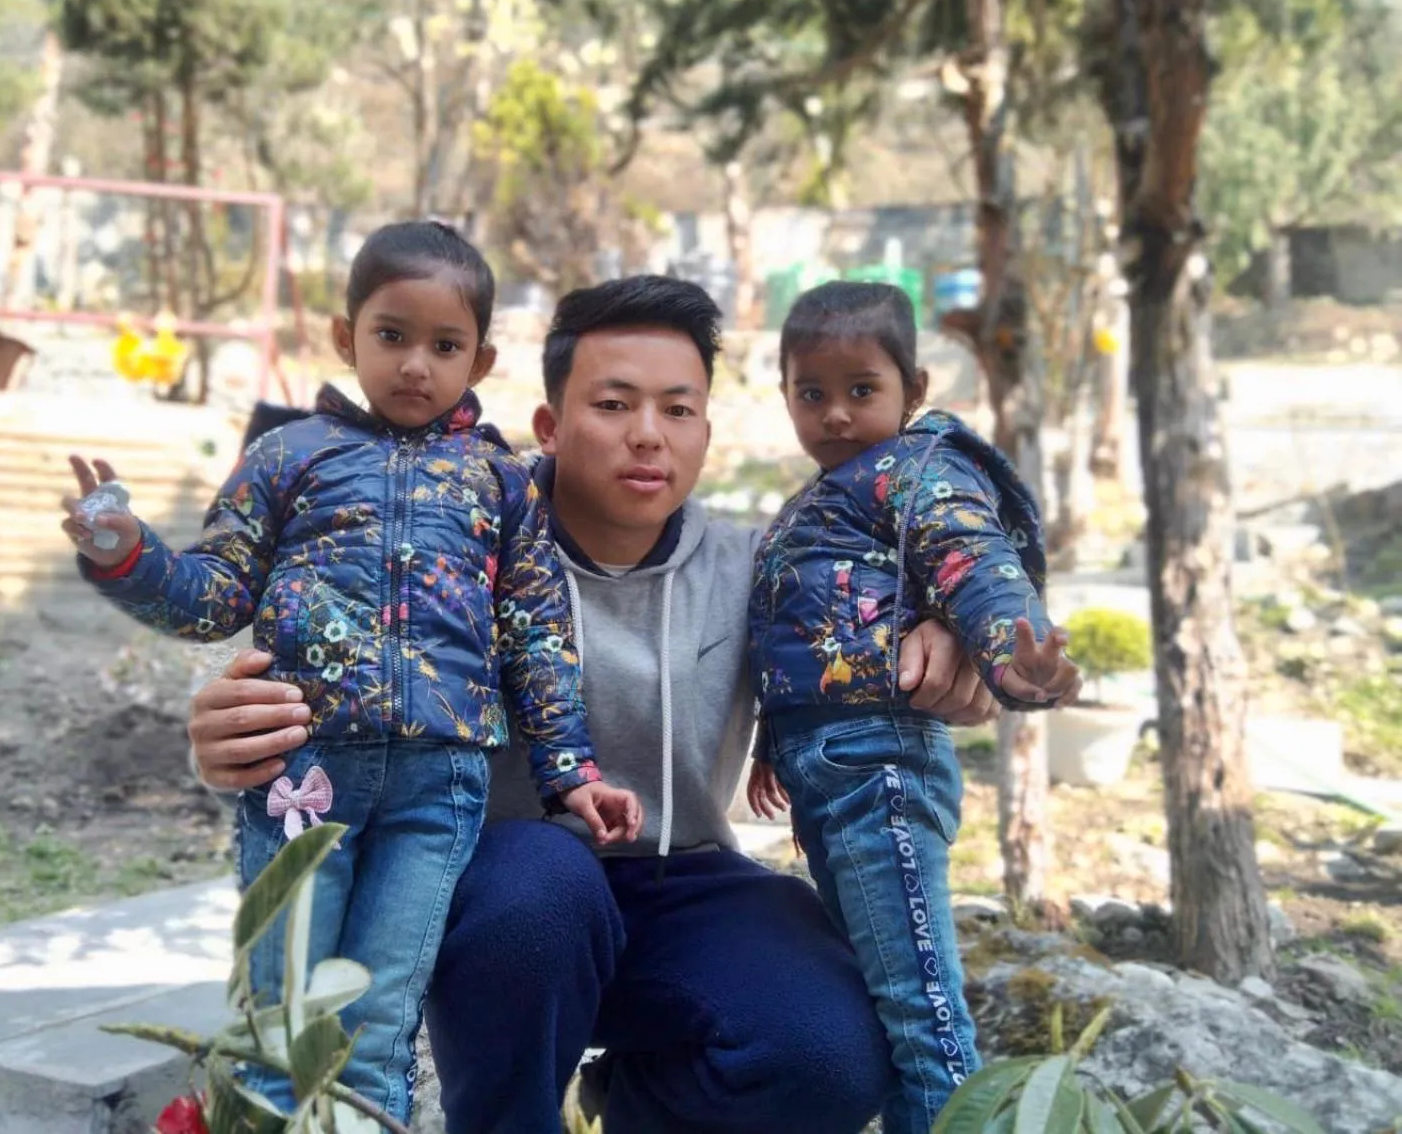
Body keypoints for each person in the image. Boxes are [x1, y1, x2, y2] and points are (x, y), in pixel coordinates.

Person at [187, 275, 1006, 1134]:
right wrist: (221, 732)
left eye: (678, 410)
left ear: (705, 432)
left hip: (681, 877)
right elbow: (305, 661)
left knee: (828, 1050)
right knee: (539, 886)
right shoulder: (453, 546)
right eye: (614, 404)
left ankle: (634, 1106)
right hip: (499, 893)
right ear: (549, 425)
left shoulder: (760, 564)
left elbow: (902, 607)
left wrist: (946, 637)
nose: (648, 436)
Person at [58, 221, 640, 1123]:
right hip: (302, 770)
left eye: (444, 345)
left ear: (480, 361)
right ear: (345, 337)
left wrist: (574, 774)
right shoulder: (288, 456)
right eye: (392, 335)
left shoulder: (500, 484)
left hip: (438, 787)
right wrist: (125, 556)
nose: (416, 364)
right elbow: (211, 594)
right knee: (279, 1015)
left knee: (374, 1020)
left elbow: (536, 639)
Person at [745, 281, 1080, 1134]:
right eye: (810, 393)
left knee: (923, 1011)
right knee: (887, 1002)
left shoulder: (917, 471)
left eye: (862, 389)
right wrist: (766, 747)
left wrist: (1016, 651)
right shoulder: (825, 495)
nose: (835, 414)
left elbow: (975, 561)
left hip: (879, 767)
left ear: (914, 390)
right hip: (831, 771)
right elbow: (794, 633)